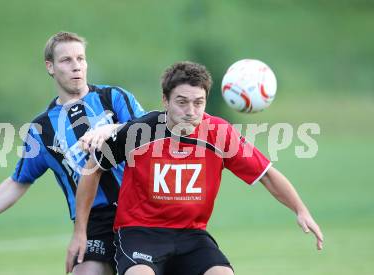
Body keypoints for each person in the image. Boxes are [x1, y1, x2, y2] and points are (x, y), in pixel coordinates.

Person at [68, 61, 324, 275]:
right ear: (165, 100)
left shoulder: (219, 133)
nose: (191, 111)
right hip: (140, 233)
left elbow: (266, 174)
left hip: (190, 235)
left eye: (198, 103)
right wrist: (81, 232)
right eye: (182, 102)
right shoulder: (140, 131)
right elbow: (94, 167)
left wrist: (300, 210)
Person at [0, 31, 145, 275]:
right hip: (93, 220)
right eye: (66, 61)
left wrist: (110, 129)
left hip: (138, 207)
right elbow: (18, 181)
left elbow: (148, 129)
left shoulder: (113, 98)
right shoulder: (42, 129)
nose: (76, 67)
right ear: (50, 67)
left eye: (80, 59)